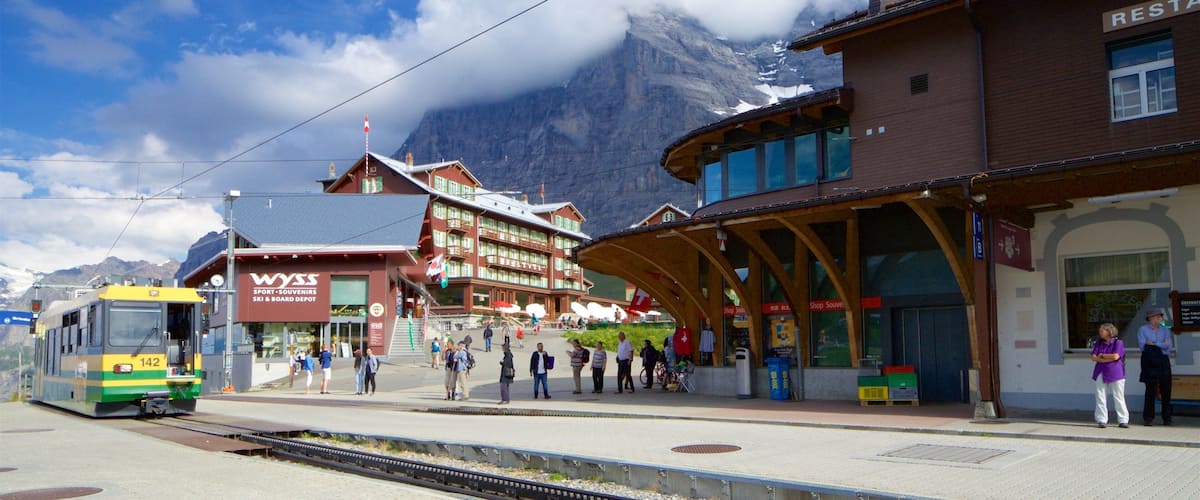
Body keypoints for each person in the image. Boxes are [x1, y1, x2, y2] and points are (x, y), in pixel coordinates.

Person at [1138, 308, 1174, 426]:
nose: (1159, 318)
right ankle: (1148, 418)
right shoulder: (1143, 330)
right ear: (1150, 318)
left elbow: (1168, 346)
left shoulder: (1165, 330)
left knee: (1166, 389)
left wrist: (1155, 344)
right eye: (1156, 316)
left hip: (1163, 360)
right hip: (1149, 361)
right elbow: (1143, 346)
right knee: (1150, 390)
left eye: (1160, 316)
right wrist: (1160, 345)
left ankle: (1167, 418)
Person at [1091, 323, 1129, 428]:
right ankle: (1101, 419)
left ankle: (1123, 420)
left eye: (1102, 330)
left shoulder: (1118, 343)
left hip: (1116, 372)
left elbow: (1116, 356)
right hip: (1100, 371)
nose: (1100, 332)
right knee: (1100, 395)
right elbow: (1094, 357)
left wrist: (1102, 356)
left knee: (1118, 396)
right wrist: (1106, 358)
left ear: (1109, 331)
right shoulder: (1098, 343)